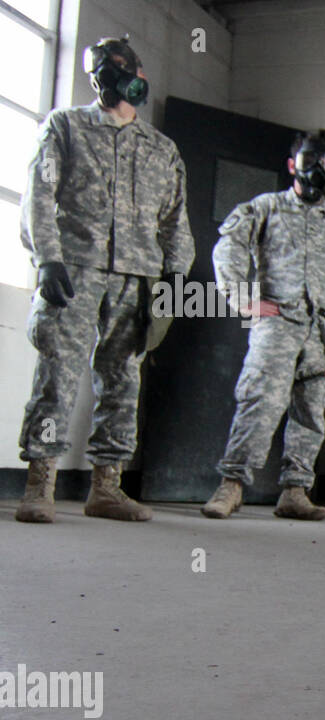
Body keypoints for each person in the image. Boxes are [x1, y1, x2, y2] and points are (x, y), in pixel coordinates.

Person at [14, 36, 194, 523]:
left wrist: (176, 281)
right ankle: (41, 483)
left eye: (118, 67)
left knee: (121, 382)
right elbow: (39, 193)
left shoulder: (162, 149)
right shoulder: (65, 127)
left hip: (136, 278)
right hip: (75, 270)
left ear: (136, 71)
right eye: (100, 69)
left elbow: (176, 222)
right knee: (58, 374)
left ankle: (107, 487)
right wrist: (47, 258)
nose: (110, 77)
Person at [201, 134, 325, 520]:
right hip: (277, 325)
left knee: (311, 412)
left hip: (323, 333)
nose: (315, 169)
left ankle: (295, 491)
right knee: (260, 402)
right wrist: (241, 297)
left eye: (323, 163)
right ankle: (231, 486)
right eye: (307, 160)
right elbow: (228, 247)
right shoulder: (264, 208)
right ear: (291, 166)